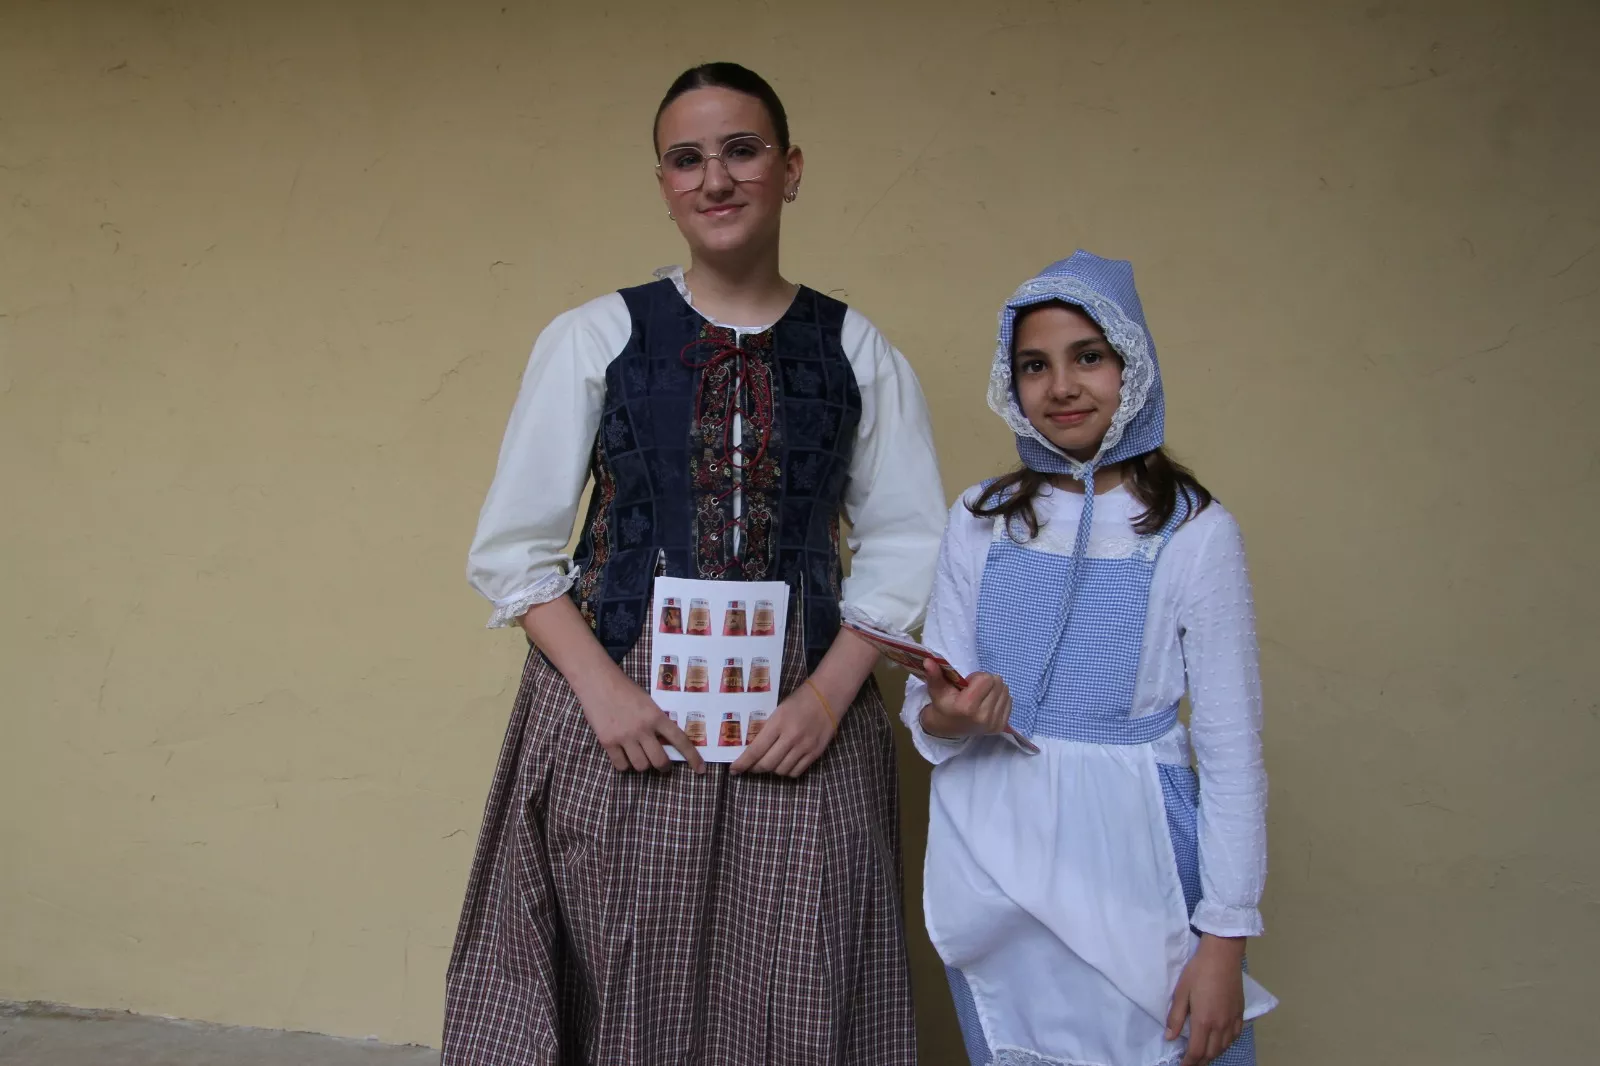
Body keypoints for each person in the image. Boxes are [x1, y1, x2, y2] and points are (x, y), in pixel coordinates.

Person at [443, 62, 946, 1066]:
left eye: (742, 150)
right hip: (621, 707)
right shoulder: (596, 335)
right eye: (687, 159)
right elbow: (515, 548)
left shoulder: (857, 349)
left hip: (805, 709)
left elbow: (908, 540)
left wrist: (828, 697)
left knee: (801, 957)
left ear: (790, 169)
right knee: (622, 955)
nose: (715, 179)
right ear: (665, 183)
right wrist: (605, 696)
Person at [902, 252, 1277, 1066]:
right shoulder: (980, 519)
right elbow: (928, 705)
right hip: (994, 852)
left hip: (1134, 851)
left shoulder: (1194, 532)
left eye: (1089, 357)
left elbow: (1231, 751)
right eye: (1034, 365)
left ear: (1133, 367)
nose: (1062, 386)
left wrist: (1225, 938)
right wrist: (950, 715)